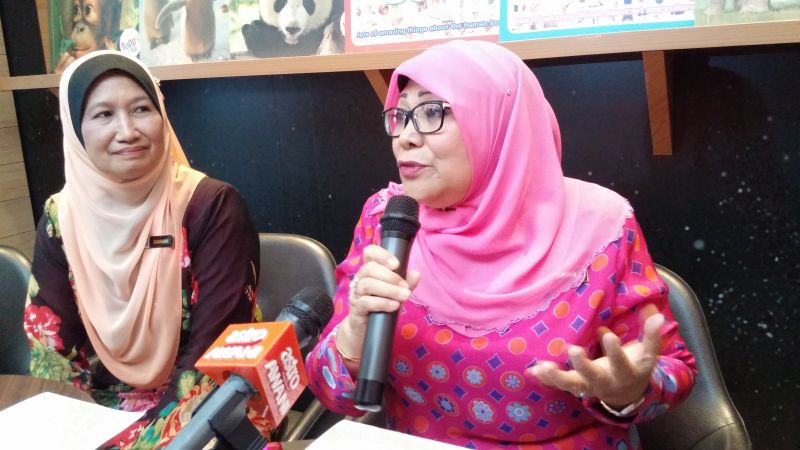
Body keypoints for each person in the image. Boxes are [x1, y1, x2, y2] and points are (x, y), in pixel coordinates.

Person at [305, 40, 697, 449]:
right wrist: (352, 333)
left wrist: (628, 393)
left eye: (431, 112)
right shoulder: (388, 219)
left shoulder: (603, 226)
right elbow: (333, 393)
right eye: (400, 115)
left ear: (499, 122)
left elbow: (675, 371)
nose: (404, 136)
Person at [23, 50, 262, 448]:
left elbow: (213, 362)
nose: (128, 130)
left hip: (213, 408)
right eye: (103, 115)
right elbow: (53, 357)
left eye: (141, 109)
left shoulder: (212, 206)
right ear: (76, 129)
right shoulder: (59, 218)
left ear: (162, 116)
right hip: (99, 412)